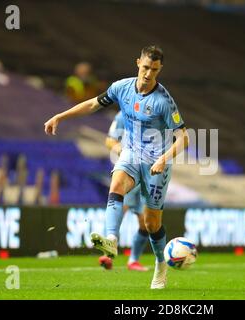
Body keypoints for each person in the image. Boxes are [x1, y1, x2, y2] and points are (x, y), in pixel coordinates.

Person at [44, 45, 189, 289]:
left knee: (152, 223)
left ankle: (160, 265)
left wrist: (164, 158)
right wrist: (60, 116)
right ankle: (111, 238)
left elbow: (184, 137)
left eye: (154, 69)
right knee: (117, 183)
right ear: (137, 63)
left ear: (159, 69)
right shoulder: (121, 88)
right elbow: (92, 104)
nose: (148, 74)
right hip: (131, 154)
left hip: (156, 162)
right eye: (145, 67)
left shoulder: (164, 101)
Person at [98, 111, 149, 272]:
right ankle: (108, 253)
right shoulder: (123, 114)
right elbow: (109, 140)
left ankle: (133, 260)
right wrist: (119, 148)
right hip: (129, 173)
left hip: (148, 175)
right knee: (119, 210)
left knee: (146, 223)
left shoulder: (157, 111)